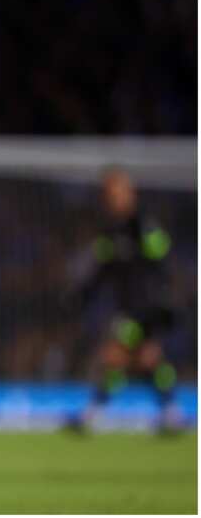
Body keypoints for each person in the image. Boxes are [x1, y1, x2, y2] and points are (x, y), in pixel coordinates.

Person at [68, 168, 180, 434]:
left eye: (118, 192)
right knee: (147, 360)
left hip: (147, 307)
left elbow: (163, 264)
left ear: (130, 194)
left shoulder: (144, 225)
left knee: (114, 355)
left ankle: (91, 415)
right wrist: (83, 294)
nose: (113, 198)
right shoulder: (110, 233)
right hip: (128, 306)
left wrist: (163, 302)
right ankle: (171, 414)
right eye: (109, 193)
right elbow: (101, 271)